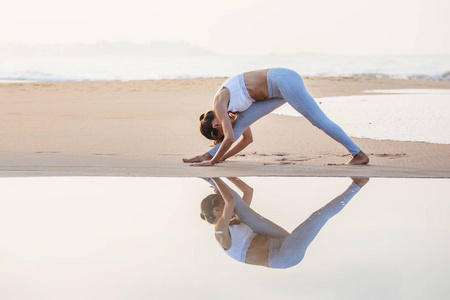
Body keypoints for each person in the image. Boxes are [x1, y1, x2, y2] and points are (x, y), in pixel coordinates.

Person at [183, 68, 369, 166]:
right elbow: (247, 139)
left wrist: (213, 162)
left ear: (216, 124)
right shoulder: (234, 111)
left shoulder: (219, 103)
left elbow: (231, 137)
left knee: (318, 120)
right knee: (240, 125)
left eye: (220, 134)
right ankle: (205, 156)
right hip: (277, 89)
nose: (226, 131)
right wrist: (223, 156)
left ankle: (358, 154)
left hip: (282, 80)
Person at [200, 177, 368, 268]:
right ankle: (357, 185)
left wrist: (229, 175)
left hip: (279, 240)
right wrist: (218, 180)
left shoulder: (236, 222)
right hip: (283, 257)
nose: (232, 209)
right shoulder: (220, 233)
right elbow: (230, 200)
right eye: (220, 202)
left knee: (245, 212)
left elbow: (248, 191)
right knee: (317, 216)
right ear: (216, 210)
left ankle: (210, 177)